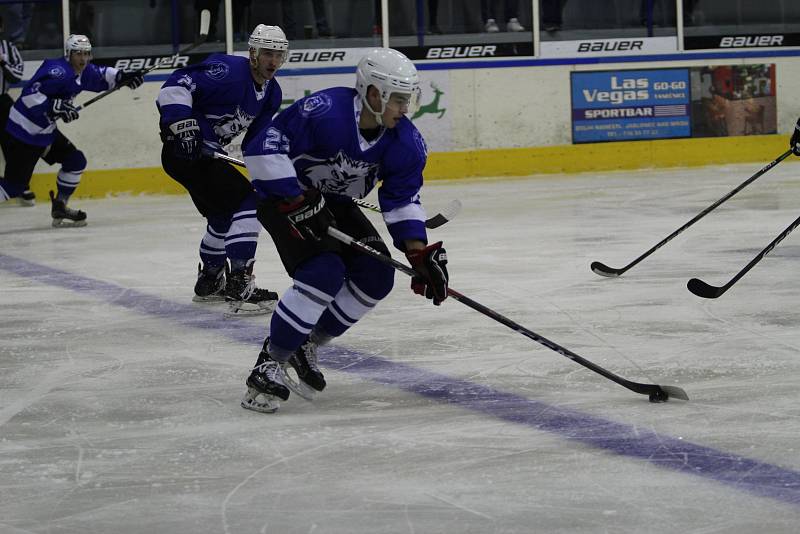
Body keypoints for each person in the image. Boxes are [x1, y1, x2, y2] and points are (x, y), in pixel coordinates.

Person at [240, 48, 451, 413]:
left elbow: (401, 198)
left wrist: (418, 251)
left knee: (377, 275)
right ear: (374, 94)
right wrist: (294, 196)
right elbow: (263, 146)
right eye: (399, 99)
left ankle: (306, 342)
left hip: (334, 203)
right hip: (285, 198)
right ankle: (270, 361)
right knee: (324, 272)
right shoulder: (325, 111)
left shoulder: (405, 141)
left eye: (407, 99)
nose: (405, 108)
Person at [156, 24, 286, 314]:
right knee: (247, 202)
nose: (273, 61)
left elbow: (257, 143)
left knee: (222, 217)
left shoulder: (272, 93)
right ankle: (239, 283)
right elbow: (175, 86)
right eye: (267, 53)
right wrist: (183, 124)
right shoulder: (227, 70)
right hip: (184, 151)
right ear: (253, 53)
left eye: (278, 55)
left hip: (206, 158)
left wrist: (279, 171)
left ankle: (210, 280)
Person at [0, 34, 144, 225]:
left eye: (86, 53)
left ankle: (60, 206)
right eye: (78, 54)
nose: (83, 59)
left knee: (75, 161)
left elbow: (101, 74)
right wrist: (53, 106)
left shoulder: (82, 71)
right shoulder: (57, 71)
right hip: (23, 133)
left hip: (44, 132)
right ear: (68, 54)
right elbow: (29, 95)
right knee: (14, 187)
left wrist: (123, 77)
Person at [0, 14, 28, 205]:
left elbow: (17, 77)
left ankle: (19, 186)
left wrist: (2, 61)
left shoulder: (9, 49)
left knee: (13, 145)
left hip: (1, 101)